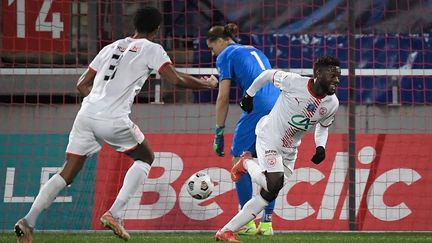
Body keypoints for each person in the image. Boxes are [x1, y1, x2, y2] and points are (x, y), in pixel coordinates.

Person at [14, 6, 217, 243]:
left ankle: (28, 221)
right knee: (146, 158)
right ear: (157, 29)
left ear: (135, 25)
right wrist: (207, 84)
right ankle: (116, 212)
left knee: (66, 172)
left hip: (86, 114)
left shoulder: (112, 46)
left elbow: (81, 85)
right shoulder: (153, 49)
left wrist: (101, 100)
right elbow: (176, 79)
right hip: (112, 118)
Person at [215, 56, 341, 242]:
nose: (336, 80)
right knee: (274, 183)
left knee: (269, 193)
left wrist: (320, 146)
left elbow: (322, 127)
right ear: (317, 74)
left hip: (290, 149)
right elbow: (266, 75)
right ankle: (246, 163)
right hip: (269, 137)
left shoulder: (332, 103)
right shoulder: (294, 82)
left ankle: (226, 231)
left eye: (338, 77)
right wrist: (249, 95)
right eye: (332, 75)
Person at [206, 23, 281, 235]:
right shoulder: (253, 49)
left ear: (220, 41)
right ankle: (266, 224)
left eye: (212, 48)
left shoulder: (225, 55)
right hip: (278, 104)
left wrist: (219, 131)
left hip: (258, 106)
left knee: (238, 160)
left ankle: (246, 223)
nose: (213, 54)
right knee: (270, 162)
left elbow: (223, 97)